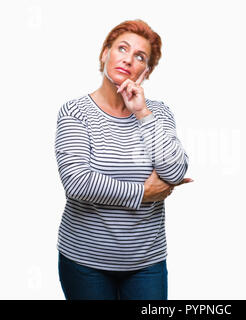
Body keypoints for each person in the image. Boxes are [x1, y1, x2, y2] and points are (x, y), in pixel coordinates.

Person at [54, 19, 192, 300]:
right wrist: (144, 192)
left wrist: (141, 112)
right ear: (105, 53)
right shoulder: (75, 112)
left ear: (147, 71)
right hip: (84, 261)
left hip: (147, 262)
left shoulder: (158, 113)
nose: (128, 60)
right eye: (122, 49)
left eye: (140, 57)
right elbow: (78, 183)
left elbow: (175, 171)